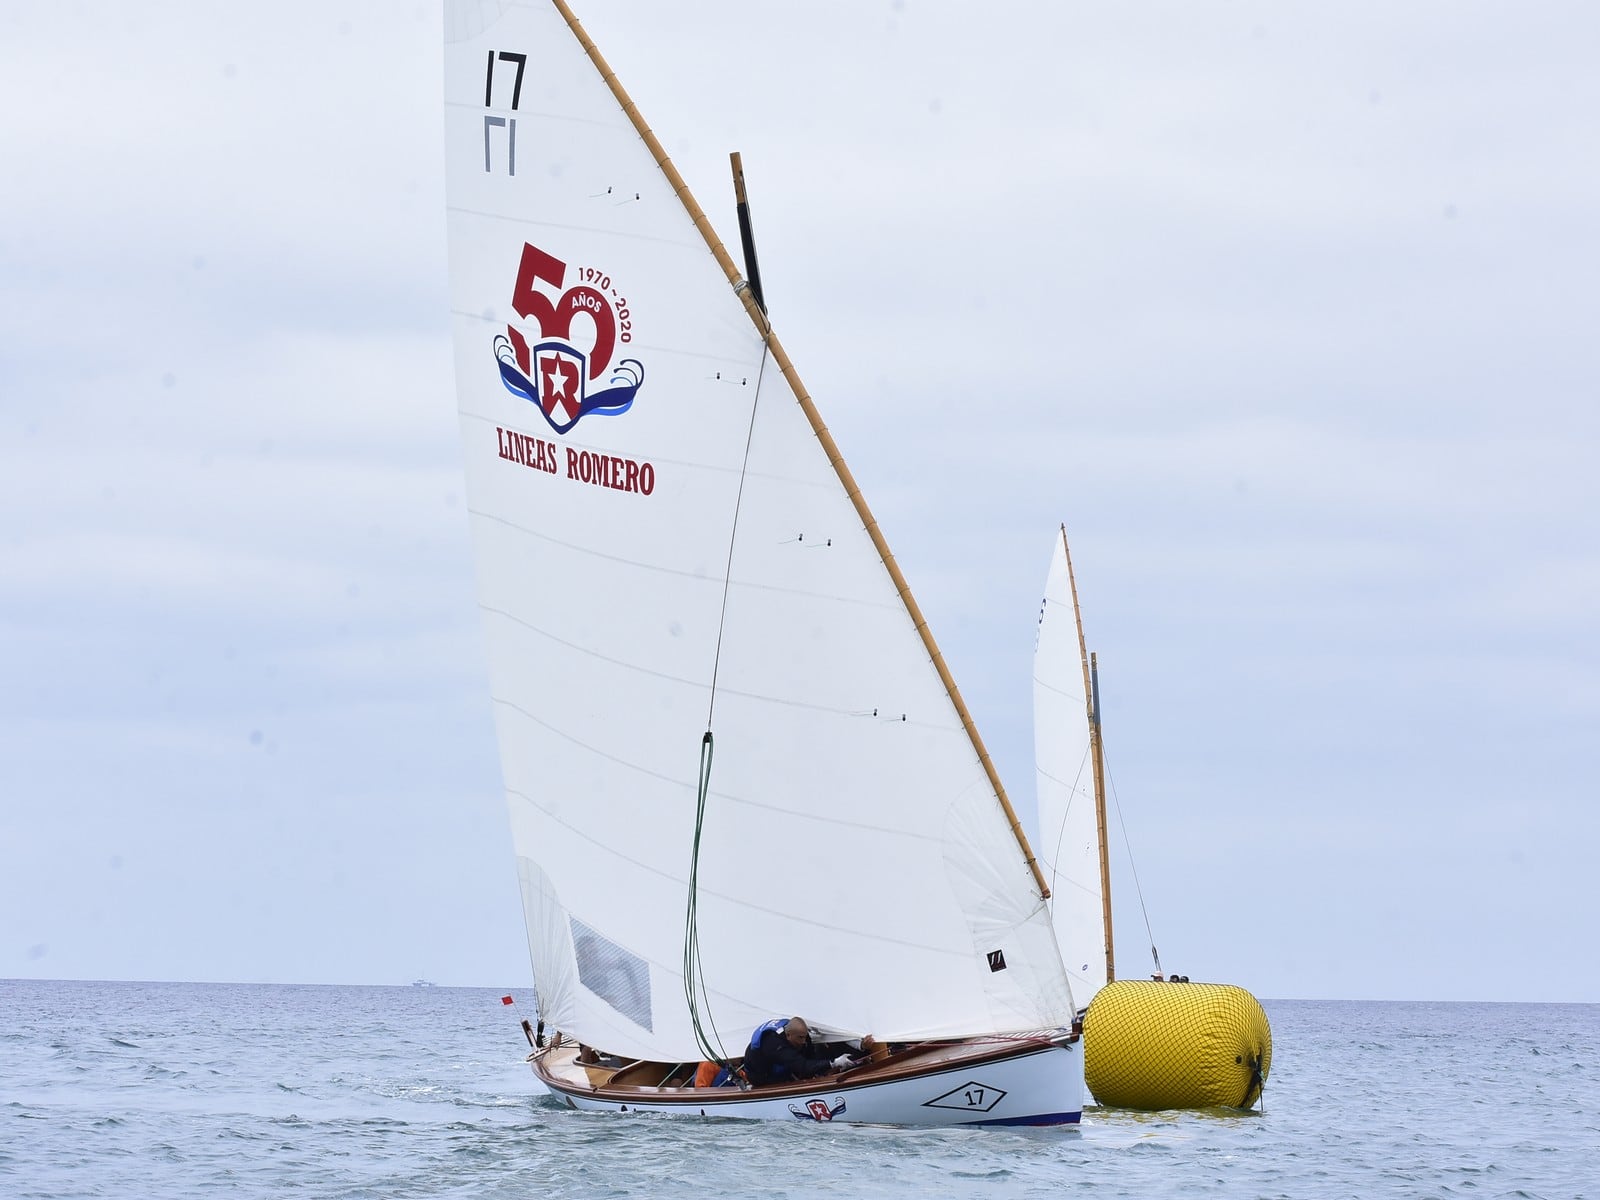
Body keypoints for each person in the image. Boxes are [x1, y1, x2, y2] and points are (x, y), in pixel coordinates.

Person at [742, 1017, 871, 1086]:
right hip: (761, 1076)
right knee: (797, 1068)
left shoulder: (801, 1034)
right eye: (800, 1038)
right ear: (788, 1035)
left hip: (784, 1065)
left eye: (805, 1037)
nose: (803, 1041)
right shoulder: (774, 1044)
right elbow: (802, 1066)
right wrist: (834, 1062)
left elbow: (811, 1059)